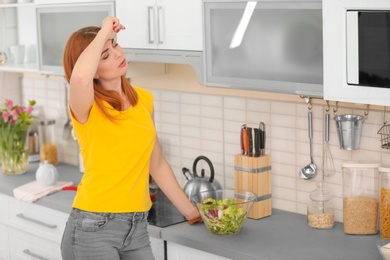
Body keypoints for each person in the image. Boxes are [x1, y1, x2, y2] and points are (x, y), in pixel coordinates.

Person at [60, 16, 200, 260]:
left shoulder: (143, 99)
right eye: (104, 55)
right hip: (92, 228)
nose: (116, 54)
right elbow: (80, 78)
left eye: (115, 44)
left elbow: (156, 164)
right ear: (93, 70)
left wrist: (192, 213)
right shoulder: (86, 106)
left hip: (136, 227)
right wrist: (104, 30)